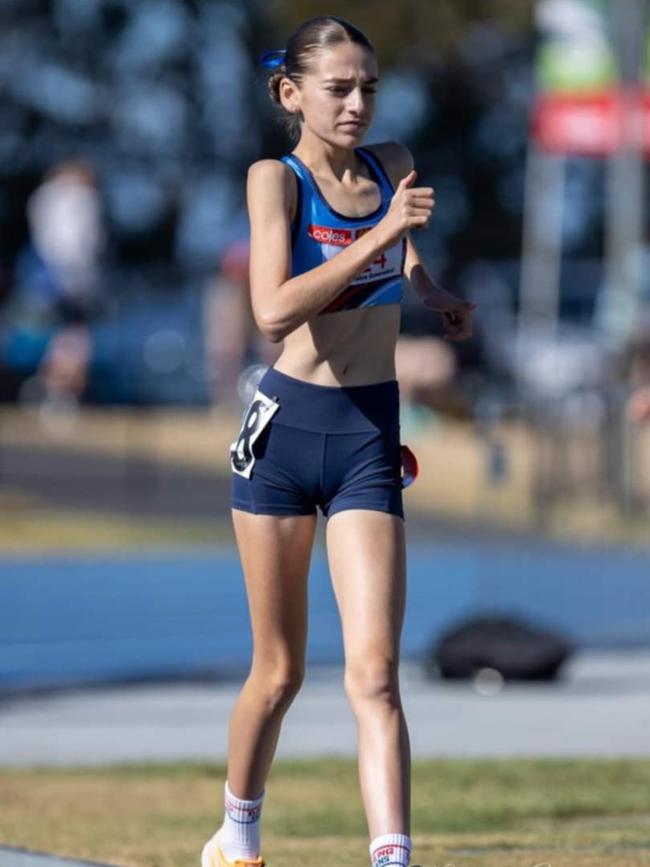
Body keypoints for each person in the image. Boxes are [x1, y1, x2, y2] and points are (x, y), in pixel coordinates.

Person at [201, 16, 476, 867]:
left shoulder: (392, 167)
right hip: (285, 434)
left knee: (376, 673)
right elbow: (274, 310)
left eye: (369, 87)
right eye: (338, 88)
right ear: (291, 94)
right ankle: (237, 832)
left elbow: (401, 264)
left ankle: (391, 854)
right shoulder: (273, 180)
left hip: (367, 435)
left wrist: (430, 290)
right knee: (278, 673)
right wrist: (382, 236)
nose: (357, 103)